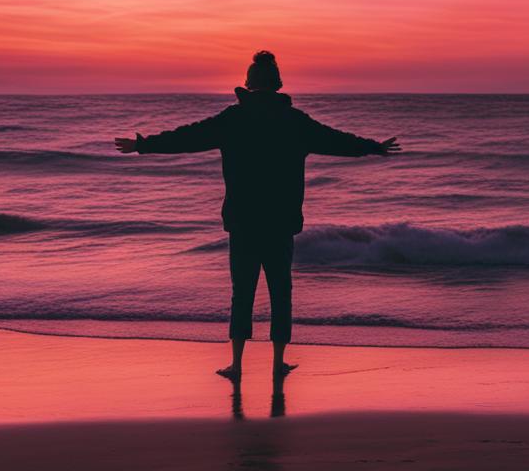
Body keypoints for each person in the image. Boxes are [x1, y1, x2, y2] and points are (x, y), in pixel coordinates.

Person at [115, 51, 400, 381]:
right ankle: (278, 363)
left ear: (249, 84)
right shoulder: (295, 122)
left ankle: (236, 365)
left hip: (243, 221)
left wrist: (144, 144)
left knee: (242, 292)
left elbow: (188, 137)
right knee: (281, 292)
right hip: (280, 222)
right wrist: (374, 146)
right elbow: (336, 140)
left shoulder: (233, 119)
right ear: (277, 85)